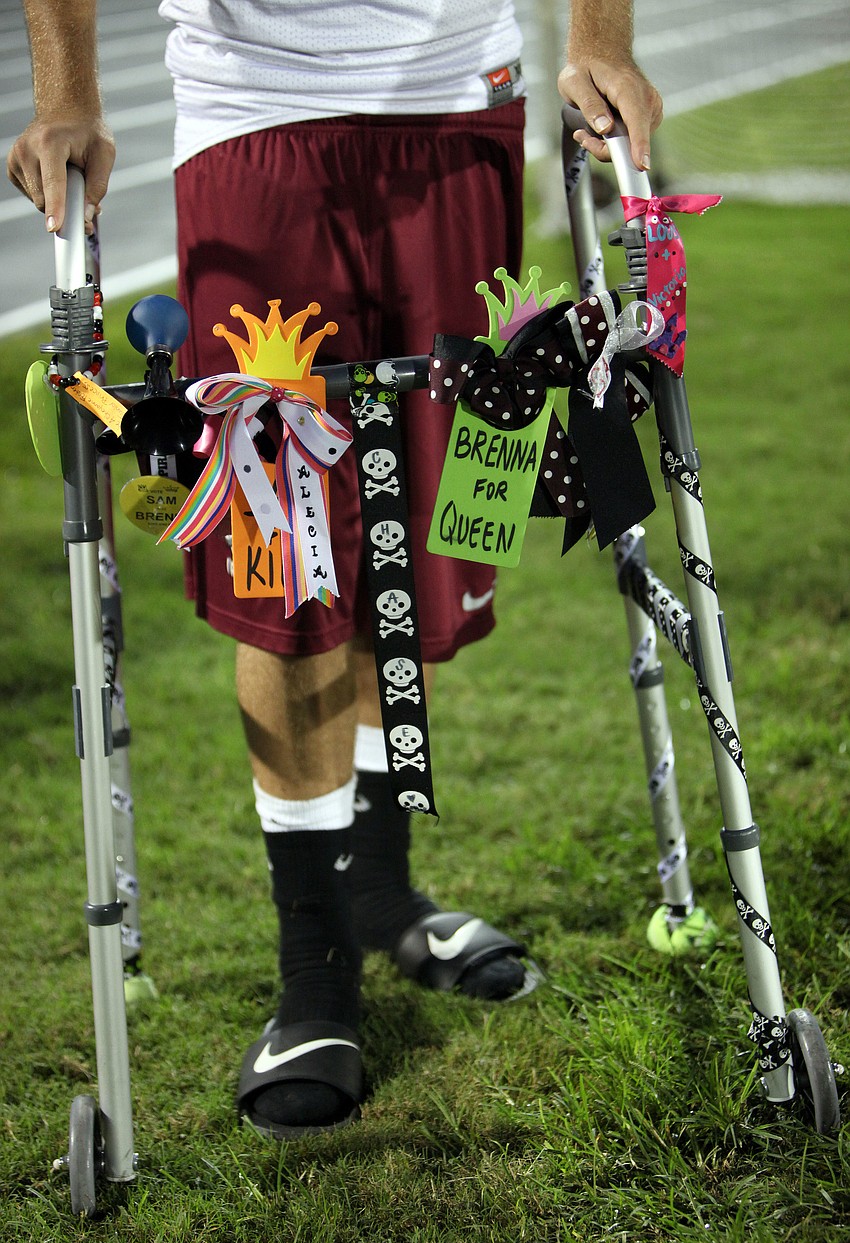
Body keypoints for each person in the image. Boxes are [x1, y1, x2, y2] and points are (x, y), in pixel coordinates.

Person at [9, 0, 662, 1140]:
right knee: (287, 554)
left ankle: (381, 890)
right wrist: (69, 91)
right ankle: (313, 967)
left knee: (436, 523)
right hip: (259, 116)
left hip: (463, 107)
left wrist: (598, 38)